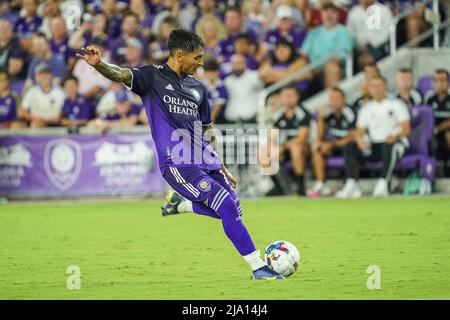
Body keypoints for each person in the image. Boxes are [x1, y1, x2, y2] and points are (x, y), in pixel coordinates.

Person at [76, 28, 284, 280]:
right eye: (196, 57)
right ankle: (258, 267)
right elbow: (121, 73)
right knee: (227, 206)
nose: (200, 63)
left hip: (205, 159)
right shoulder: (151, 77)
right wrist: (99, 65)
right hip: (177, 163)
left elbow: (206, 128)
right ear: (179, 55)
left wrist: (220, 164)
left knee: (234, 210)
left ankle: (182, 205)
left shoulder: (198, 88)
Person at [336, 76, 411, 198]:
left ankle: (383, 183)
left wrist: (395, 136)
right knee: (350, 146)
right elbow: (360, 131)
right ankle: (352, 182)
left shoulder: (397, 104)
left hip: (396, 144)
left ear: (386, 87)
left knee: (389, 144)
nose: (376, 89)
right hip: (375, 146)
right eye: (373, 86)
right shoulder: (366, 108)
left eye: (379, 86)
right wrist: (359, 138)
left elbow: (406, 128)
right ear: (369, 89)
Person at [308, 87, 356, 197]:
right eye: (332, 98)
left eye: (337, 98)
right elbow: (320, 136)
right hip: (333, 146)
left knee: (350, 146)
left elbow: (354, 136)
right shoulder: (328, 114)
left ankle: (351, 184)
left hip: (348, 146)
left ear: (343, 99)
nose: (334, 101)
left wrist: (332, 144)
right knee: (316, 146)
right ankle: (320, 183)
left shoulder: (349, 112)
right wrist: (320, 119)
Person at [266, 86, 311, 196]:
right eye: (285, 96)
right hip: (284, 149)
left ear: (297, 97)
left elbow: (302, 138)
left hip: (304, 150)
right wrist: (270, 148)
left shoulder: (303, 114)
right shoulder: (278, 115)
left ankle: (301, 188)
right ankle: (279, 188)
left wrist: (282, 147)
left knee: (296, 147)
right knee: (263, 151)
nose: (288, 98)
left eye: (291, 95)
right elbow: (273, 136)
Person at [17, 62, 65, 128]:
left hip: (55, 124)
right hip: (34, 121)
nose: (44, 77)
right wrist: (36, 119)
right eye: (41, 74)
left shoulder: (60, 92)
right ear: (36, 77)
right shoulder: (32, 91)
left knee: (35, 125)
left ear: (51, 75)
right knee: (17, 126)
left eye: (46, 74)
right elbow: (21, 112)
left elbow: (61, 114)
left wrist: (43, 121)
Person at [424, 69, 450, 175]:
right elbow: (424, 118)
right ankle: (428, 171)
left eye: (443, 80)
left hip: (443, 131)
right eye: (437, 80)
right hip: (432, 131)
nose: (440, 83)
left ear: (448, 83)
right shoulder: (429, 98)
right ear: (433, 83)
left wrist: (438, 128)